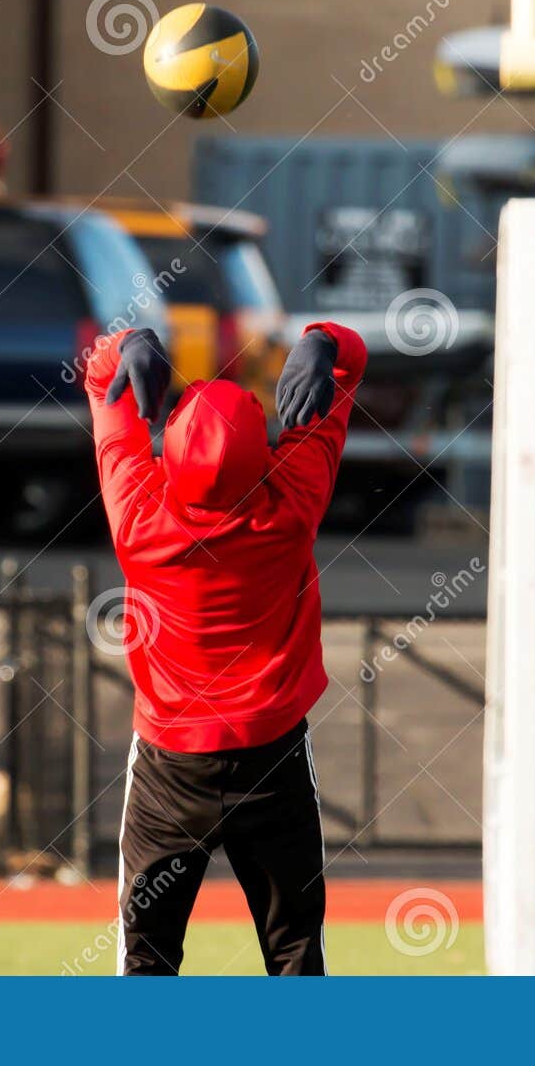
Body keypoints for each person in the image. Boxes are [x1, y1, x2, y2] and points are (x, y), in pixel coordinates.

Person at [82, 320, 367, 976]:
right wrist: (324, 344)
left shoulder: (136, 513)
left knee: (146, 956)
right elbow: (348, 367)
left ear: (170, 449)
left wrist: (129, 341)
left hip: (168, 766)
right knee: (295, 952)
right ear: (262, 452)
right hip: (271, 757)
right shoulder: (293, 501)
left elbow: (104, 379)